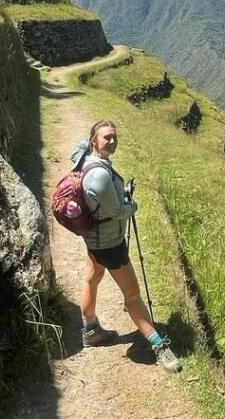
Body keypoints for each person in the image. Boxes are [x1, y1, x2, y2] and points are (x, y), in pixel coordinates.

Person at [69, 120, 182, 374]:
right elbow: (118, 211)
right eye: (106, 137)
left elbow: (102, 198)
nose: (112, 141)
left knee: (92, 277)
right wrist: (132, 205)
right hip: (110, 243)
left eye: (114, 137)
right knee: (132, 294)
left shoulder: (84, 160)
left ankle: (90, 330)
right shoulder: (98, 173)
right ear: (94, 141)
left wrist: (120, 193)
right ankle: (158, 345)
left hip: (93, 237)